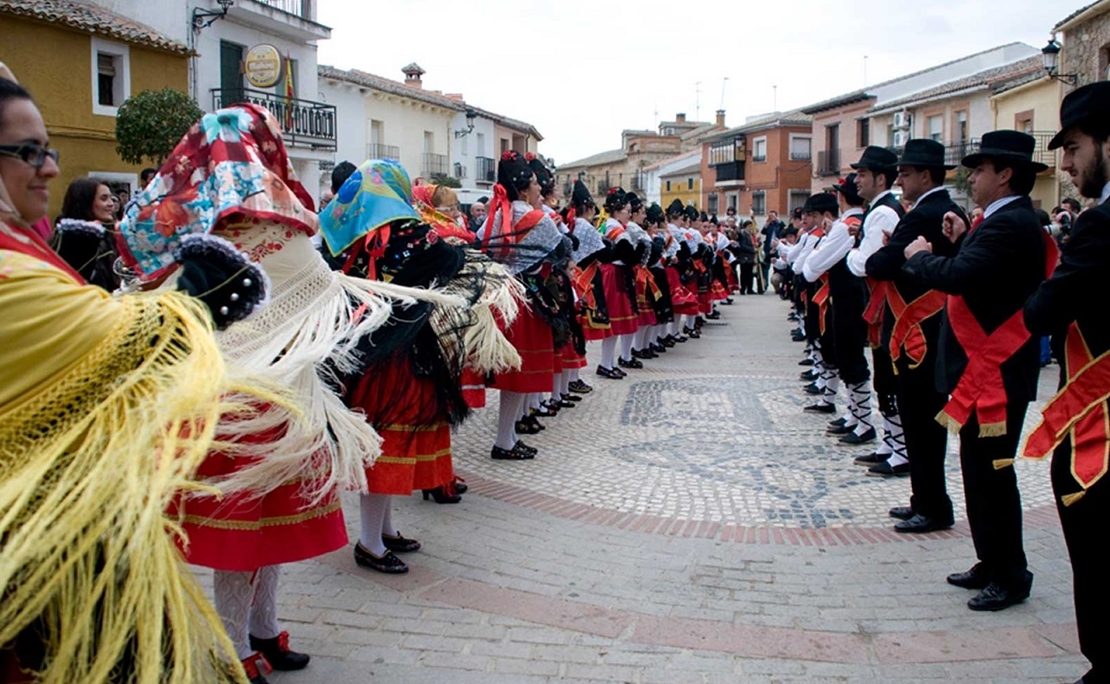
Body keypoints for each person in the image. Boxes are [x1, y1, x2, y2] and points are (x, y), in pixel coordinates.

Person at [119, 104, 439, 683]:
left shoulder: (254, 232)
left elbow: (320, 292)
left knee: (268, 531)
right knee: (243, 540)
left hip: (283, 400)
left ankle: (263, 630)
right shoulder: (213, 238)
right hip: (233, 409)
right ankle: (233, 649)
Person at [0, 72, 268, 684]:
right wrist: (197, 296)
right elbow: (117, 341)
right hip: (37, 565)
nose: (46, 168)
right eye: (27, 152)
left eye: (49, 150)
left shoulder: (24, 249)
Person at [903, 130, 1049, 611]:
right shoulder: (997, 223)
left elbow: (962, 277)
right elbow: (978, 271)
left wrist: (921, 257)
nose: (973, 177)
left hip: (996, 374)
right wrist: (960, 240)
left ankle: (1010, 574)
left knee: (993, 476)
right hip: (983, 372)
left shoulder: (1012, 225)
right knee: (978, 471)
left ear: (1005, 175)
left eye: (981, 169)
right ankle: (991, 561)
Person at [1024, 81, 1110, 684]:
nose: (1069, 163)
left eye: (1076, 147)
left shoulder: (1102, 226)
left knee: (1100, 549)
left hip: (1104, 424)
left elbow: (1043, 312)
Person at [866, 140, 967, 504]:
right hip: (932, 328)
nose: (901, 180)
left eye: (906, 174)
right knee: (922, 418)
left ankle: (929, 503)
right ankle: (926, 500)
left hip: (919, 334)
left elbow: (879, 264)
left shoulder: (924, 213)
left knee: (920, 418)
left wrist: (888, 252)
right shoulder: (946, 208)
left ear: (926, 176)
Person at [846, 146, 908, 479]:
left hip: (886, 303)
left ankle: (899, 448)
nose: (857, 180)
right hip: (881, 302)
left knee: (887, 373)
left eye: (863, 174)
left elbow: (864, 263)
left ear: (881, 178)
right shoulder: (877, 211)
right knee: (883, 373)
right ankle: (891, 443)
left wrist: (854, 252)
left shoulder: (884, 212)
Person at [804, 176, 873, 446]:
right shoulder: (853, 224)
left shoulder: (846, 227)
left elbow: (810, 269)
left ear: (842, 199)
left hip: (847, 299)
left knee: (850, 359)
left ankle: (863, 421)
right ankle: (856, 416)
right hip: (851, 298)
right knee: (847, 357)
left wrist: (827, 239)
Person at [50, 176, 122, 290]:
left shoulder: (107, 235)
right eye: (104, 199)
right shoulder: (70, 241)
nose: (111, 204)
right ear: (85, 203)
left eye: (111, 198)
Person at [760, 209, 784, 290]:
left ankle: (776, 285)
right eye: (770, 216)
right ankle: (765, 284)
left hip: (777, 248)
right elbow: (763, 232)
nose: (772, 217)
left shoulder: (779, 225)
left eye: (773, 215)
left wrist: (777, 220)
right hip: (768, 248)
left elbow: (783, 227)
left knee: (777, 265)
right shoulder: (769, 225)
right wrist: (767, 223)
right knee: (765, 266)